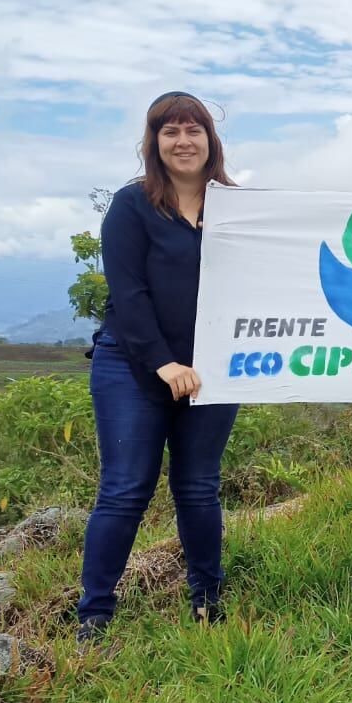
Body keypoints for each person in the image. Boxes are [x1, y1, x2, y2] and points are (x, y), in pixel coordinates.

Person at [75, 91, 241, 642]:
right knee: (126, 489)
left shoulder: (237, 209)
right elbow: (129, 292)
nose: (183, 141)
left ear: (210, 141)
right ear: (154, 142)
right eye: (170, 131)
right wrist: (165, 363)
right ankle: (95, 615)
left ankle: (207, 603)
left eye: (194, 130)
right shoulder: (132, 204)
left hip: (213, 367)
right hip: (132, 364)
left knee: (198, 486)